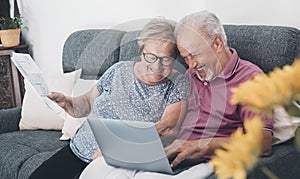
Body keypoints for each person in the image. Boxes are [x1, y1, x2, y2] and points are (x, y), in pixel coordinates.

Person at [79, 10, 274, 179]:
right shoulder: (190, 76)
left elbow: (264, 142)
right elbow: (166, 123)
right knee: (100, 170)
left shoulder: (251, 79)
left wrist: (204, 145)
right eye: (185, 57)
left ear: (217, 44)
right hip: (165, 155)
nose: (190, 66)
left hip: (202, 160)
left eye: (194, 55)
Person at [29, 18, 189, 179]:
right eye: (151, 57)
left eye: (166, 59)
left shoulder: (178, 84)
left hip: (118, 164)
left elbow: (167, 128)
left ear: (175, 58)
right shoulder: (118, 69)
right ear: (141, 52)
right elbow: (87, 102)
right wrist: (68, 102)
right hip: (79, 150)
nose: (157, 66)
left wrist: (116, 149)